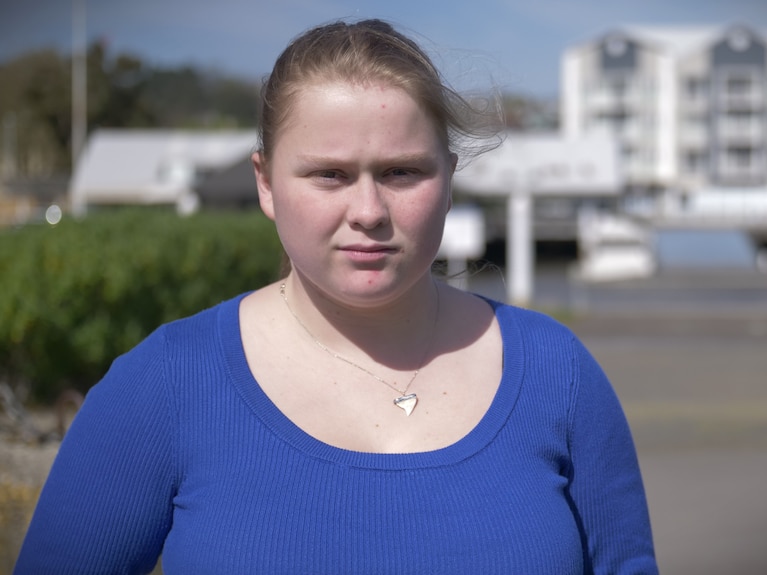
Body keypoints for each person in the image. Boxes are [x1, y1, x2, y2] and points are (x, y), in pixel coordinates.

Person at [16, 19, 658, 574]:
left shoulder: (557, 372)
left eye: (402, 172)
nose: (369, 210)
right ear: (265, 183)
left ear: (451, 179)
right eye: (330, 175)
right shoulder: (165, 384)